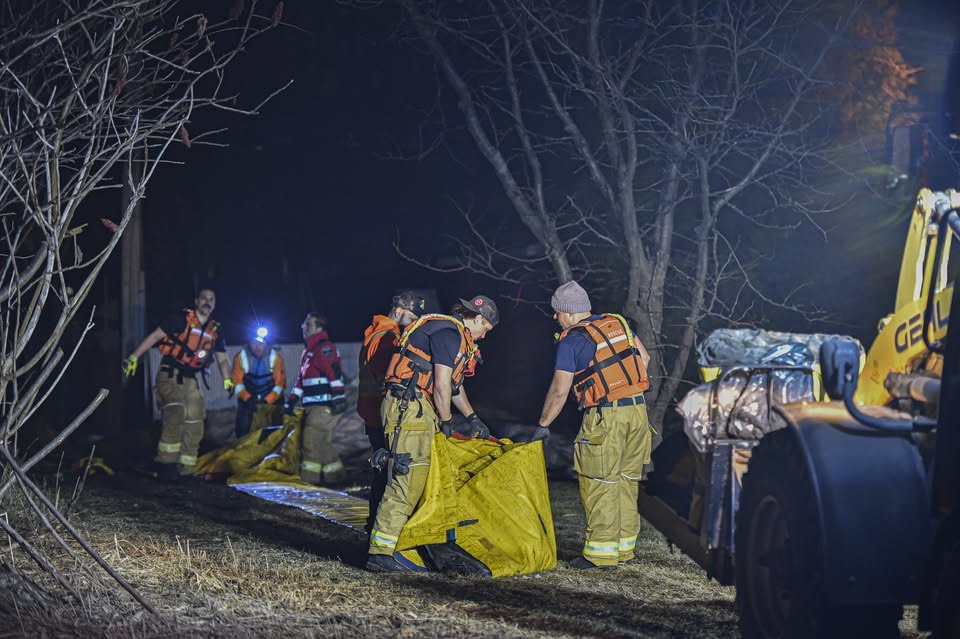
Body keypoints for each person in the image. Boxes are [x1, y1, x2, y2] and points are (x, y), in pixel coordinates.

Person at [366, 294, 497, 572]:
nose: (485, 336)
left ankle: (396, 546)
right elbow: (441, 386)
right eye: (486, 329)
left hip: (415, 407)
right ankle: (381, 551)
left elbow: (453, 387)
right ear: (479, 319)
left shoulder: (449, 333)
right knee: (407, 477)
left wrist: (472, 417)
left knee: (416, 477)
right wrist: (448, 422)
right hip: (410, 407)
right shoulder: (450, 333)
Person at [534, 280, 653, 569]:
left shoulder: (573, 339)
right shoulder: (618, 325)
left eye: (557, 312)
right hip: (638, 413)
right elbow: (645, 358)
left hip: (605, 416)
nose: (555, 318)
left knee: (599, 481)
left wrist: (543, 424)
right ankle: (624, 548)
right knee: (626, 481)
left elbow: (560, 390)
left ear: (571, 313)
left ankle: (599, 555)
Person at [121, 287, 232, 481]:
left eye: (211, 299)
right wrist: (133, 358)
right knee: (175, 413)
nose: (207, 302)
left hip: (191, 380)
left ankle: (186, 470)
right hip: (169, 375)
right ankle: (165, 465)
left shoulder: (214, 331)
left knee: (196, 422)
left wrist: (227, 379)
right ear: (196, 301)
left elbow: (222, 359)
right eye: (204, 298)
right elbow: (155, 336)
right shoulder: (180, 320)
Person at [357, 291, 425, 533]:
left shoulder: (377, 331)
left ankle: (374, 523)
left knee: (383, 471)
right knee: (388, 474)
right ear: (398, 311)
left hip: (373, 412)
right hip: (381, 414)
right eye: (411, 316)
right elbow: (389, 372)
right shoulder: (389, 336)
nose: (415, 322)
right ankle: (378, 526)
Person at [286, 312, 347, 485]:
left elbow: (334, 372)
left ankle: (309, 481)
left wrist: (338, 397)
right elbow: (301, 379)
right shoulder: (309, 351)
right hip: (313, 405)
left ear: (319, 327)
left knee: (310, 442)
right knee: (323, 443)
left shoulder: (324, 348)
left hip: (323, 406)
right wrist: (291, 400)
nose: (303, 327)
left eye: (308, 324)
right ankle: (336, 477)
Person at [231, 325, 286, 438]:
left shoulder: (275, 357)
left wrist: (267, 401)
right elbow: (237, 383)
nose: (257, 347)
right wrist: (248, 399)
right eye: (254, 343)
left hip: (272, 399)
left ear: (265, 344)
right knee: (243, 429)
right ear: (249, 343)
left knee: (277, 428)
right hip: (248, 398)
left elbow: (280, 384)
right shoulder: (241, 357)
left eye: (261, 343)